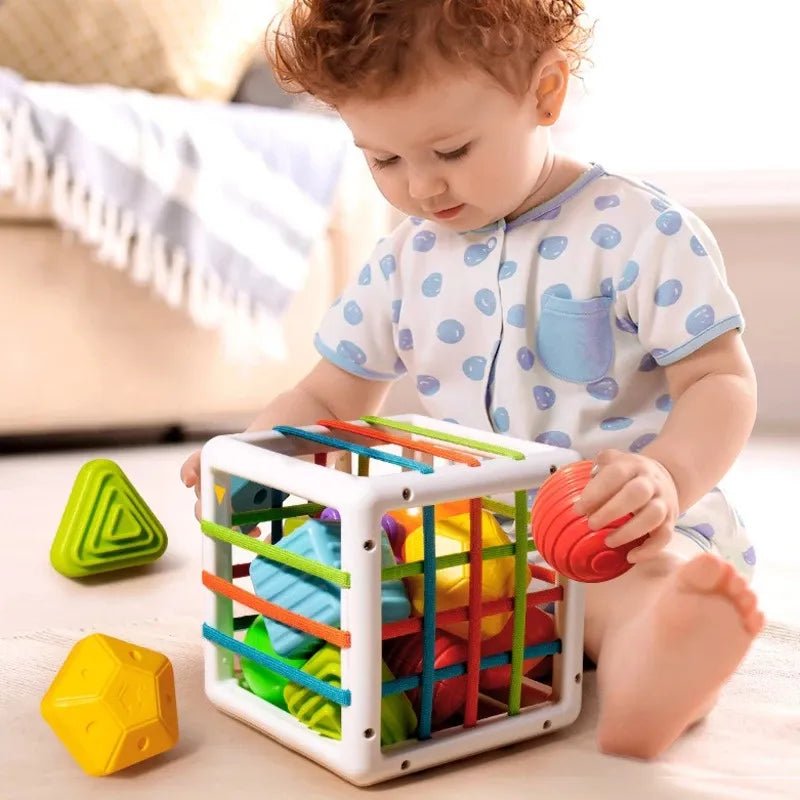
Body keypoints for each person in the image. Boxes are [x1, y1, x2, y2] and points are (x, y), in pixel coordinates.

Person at [181, 0, 763, 759]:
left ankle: (660, 656)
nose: (421, 187)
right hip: (460, 541)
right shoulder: (405, 259)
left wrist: (668, 476)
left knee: (627, 586)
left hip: (612, 523)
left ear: (545, 94)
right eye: (383, 160)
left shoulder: (639, 230)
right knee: (363, 583)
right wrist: (251, 460)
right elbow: (326, 397)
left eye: (450, 150)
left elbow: (719, 379)